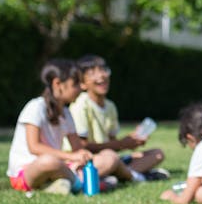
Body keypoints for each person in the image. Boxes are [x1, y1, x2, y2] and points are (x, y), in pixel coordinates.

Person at [6, 59, 109, 195]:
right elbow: (34, 147)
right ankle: (80, 184)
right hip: (28, 171)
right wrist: (71, 157)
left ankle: (60, 184)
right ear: (57, 84)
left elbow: (77, 148)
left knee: (108, 157)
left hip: (60, 165)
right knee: (49, 162)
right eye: (75, 84)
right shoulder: (36, 107)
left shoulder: (66, 113)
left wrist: (82, 156)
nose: (79, 89)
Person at [68, 54, 169, 182]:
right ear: (82, 83)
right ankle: (135, 176)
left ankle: (117, 175)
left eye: (103, 70)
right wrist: (121, 144)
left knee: (157, 154)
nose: (101, 75)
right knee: (110, 159)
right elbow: (81, 146)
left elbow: (112, 143)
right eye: (92, 72)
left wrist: (131, 140)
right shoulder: (81, 104)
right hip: (86, 161)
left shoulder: (110, 106)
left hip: (108, 157)